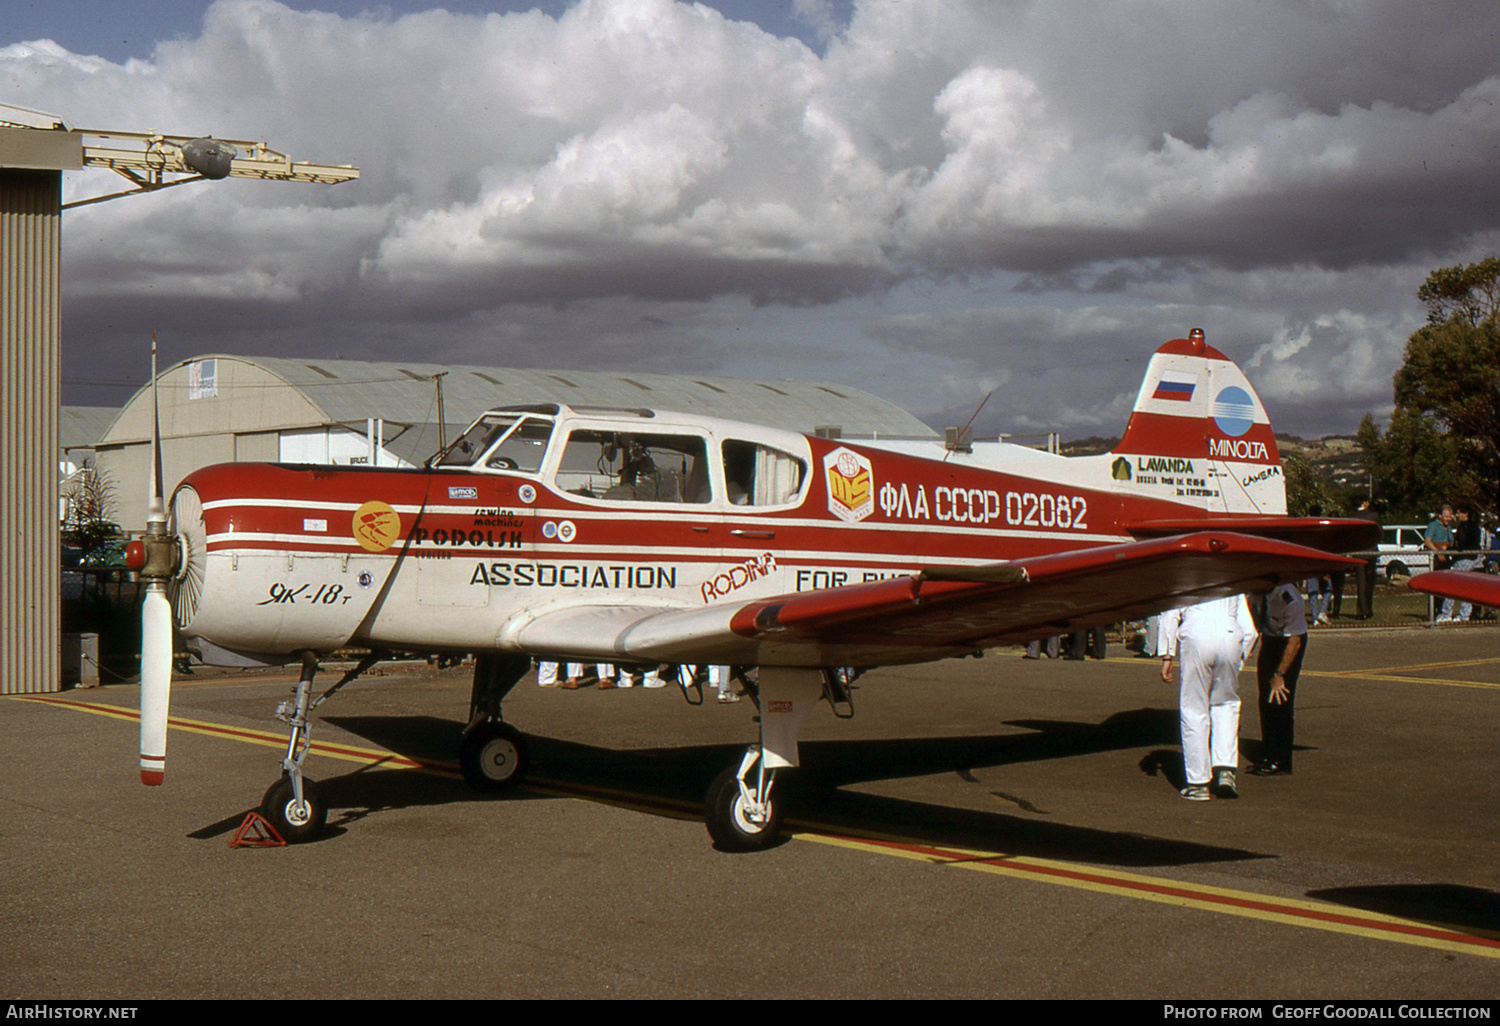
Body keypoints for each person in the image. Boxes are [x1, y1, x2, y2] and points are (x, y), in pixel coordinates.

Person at [1159, 595, 1258, 800]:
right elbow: (1250, 631)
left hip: (1196, 637)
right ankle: (1225, 770)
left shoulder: (1185, 575)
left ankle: (1198, 782)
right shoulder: (1232, 581)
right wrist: (1240, 658)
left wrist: (1167, 655)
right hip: (1230, 636)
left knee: (1194, 708)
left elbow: (1169, 614)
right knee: (1226, 704)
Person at [1252, 583, 1307, 776]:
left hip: (1289, 642)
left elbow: (1295, 643)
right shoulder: (1257, 592)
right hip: (1270, 640)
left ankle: (1282, 760)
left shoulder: (1289, 599)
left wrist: (1280, 675)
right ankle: (1268, 754)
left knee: (1281, 700)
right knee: (1265, 700)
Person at [1437, 506, 1482, 622]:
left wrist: (1449, 549)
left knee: (1452, 586)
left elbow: (1462, 544)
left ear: (1465, 513)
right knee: (1465, 586)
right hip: (1470, 559)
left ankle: (1447, 614)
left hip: (1464, 559)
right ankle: (1464, 615)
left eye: (1458, 512)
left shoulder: (1466, 527)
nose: (1456, 515)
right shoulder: (1474, 526)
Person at [1352, 498, 1380, 620]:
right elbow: (1380, 533)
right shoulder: (1374, 516)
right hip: (1371, 550)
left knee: (1361, 582)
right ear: (1364, 503)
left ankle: (1361, 610)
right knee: (1370, 582)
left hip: (1358, 552)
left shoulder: (1352, 517)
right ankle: (1369, 608)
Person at [1424, 504, 1455, 571]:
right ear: (1440, 516)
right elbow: (1427, 541)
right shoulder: (1433, 525)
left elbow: (1451, 541)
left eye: (1450, 517)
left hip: (1447, 557)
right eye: (1446, 517)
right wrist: (1438, 552)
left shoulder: (1449, 527)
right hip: (1435, 558)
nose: (1449, 519)